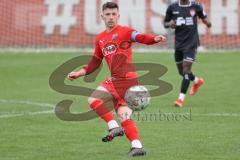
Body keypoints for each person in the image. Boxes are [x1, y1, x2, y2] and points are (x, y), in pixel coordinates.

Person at [67, 2, 166, 157]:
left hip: (126, 80)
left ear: (118, 16)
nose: (111, 17)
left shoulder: (125, 32)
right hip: (120, 81)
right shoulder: (100, 38)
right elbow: (95, 62)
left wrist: (154, 39)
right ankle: (127, 138)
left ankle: (124, 136)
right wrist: (79, 73)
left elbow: (139, 37)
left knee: (107, 107)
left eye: (114, 14)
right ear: (102, 16)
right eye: (108, 14)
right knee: (109, 108)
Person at [164, 0, 211, 107]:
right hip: (179, 44)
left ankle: (180, 99)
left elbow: (204, 18)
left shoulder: (196, 6)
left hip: (191, 44)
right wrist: (170, 24)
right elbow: (165, 23)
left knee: (186, 70)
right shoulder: (172, 7)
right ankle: (197, 81)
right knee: (182, 72)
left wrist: (207, 22)